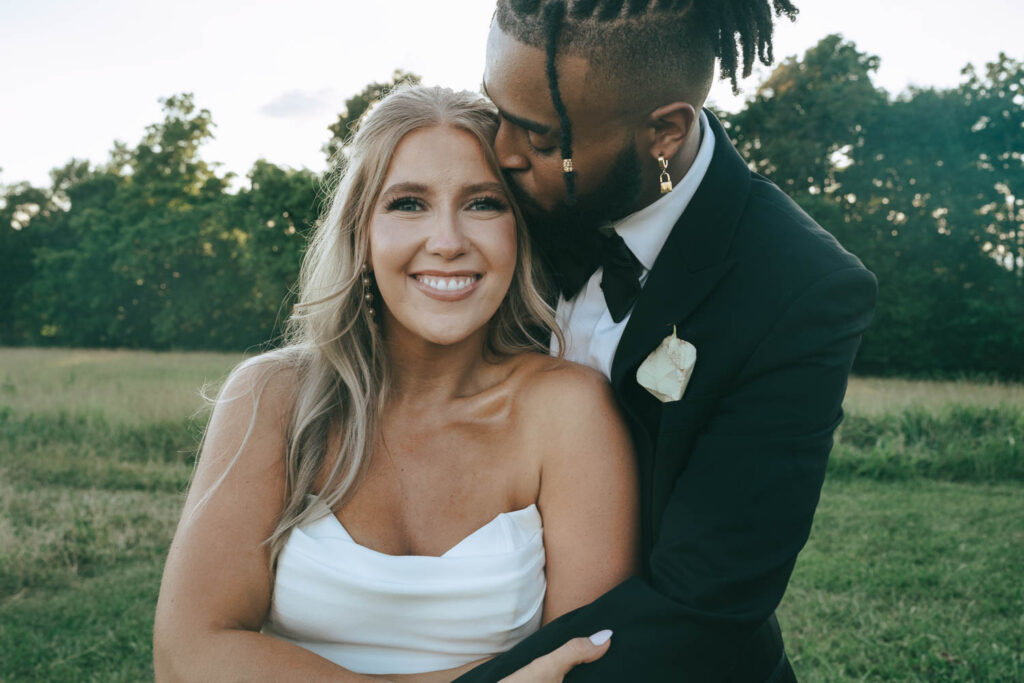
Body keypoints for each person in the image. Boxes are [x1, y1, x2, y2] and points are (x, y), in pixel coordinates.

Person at [451, 1, 878, 681]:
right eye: (495, 109)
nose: (500, 152)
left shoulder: (799, 290)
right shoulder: (492, 202)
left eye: (536, 136)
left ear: (665, 131)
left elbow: (703, 603)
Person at [153, 85, 639, 681]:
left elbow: (586, 660)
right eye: (409, 203)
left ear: (520, 229)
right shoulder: (272, 396)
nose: (447, 241)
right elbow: (187, 656)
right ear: (362, 232)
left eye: (483, 203)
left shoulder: (568, 410)